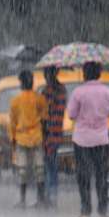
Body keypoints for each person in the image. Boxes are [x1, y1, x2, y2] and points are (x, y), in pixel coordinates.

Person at [67, 61, 109, 217]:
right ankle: (103, 211)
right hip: (101, 139)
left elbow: (71, 114)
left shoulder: (78, 92)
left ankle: (86, 211)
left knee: (83, 175)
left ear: (85, 74)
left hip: (82, 140)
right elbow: (108, 113)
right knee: (101, 175)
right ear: (99, 73)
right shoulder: (108, 92)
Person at [9, 70, 48, 208]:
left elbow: (12, 122)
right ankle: (41, 199)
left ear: (21, 83)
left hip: (21, 138)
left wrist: (12, 139)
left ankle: (22, 200)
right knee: (39, 169)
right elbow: (44, 119)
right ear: (32, 82)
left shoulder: (15, 101)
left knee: (22, 170)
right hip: (37, 137)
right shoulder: (39, 99)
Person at [41, 66, 67, 207]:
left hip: (48, 133)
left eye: (46, 73)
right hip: (57, 132)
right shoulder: (62, 90)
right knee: (52, 165)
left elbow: (44, 113)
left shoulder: (47, 92)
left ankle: (49, 196)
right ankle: (53, 195)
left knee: (47, 165)